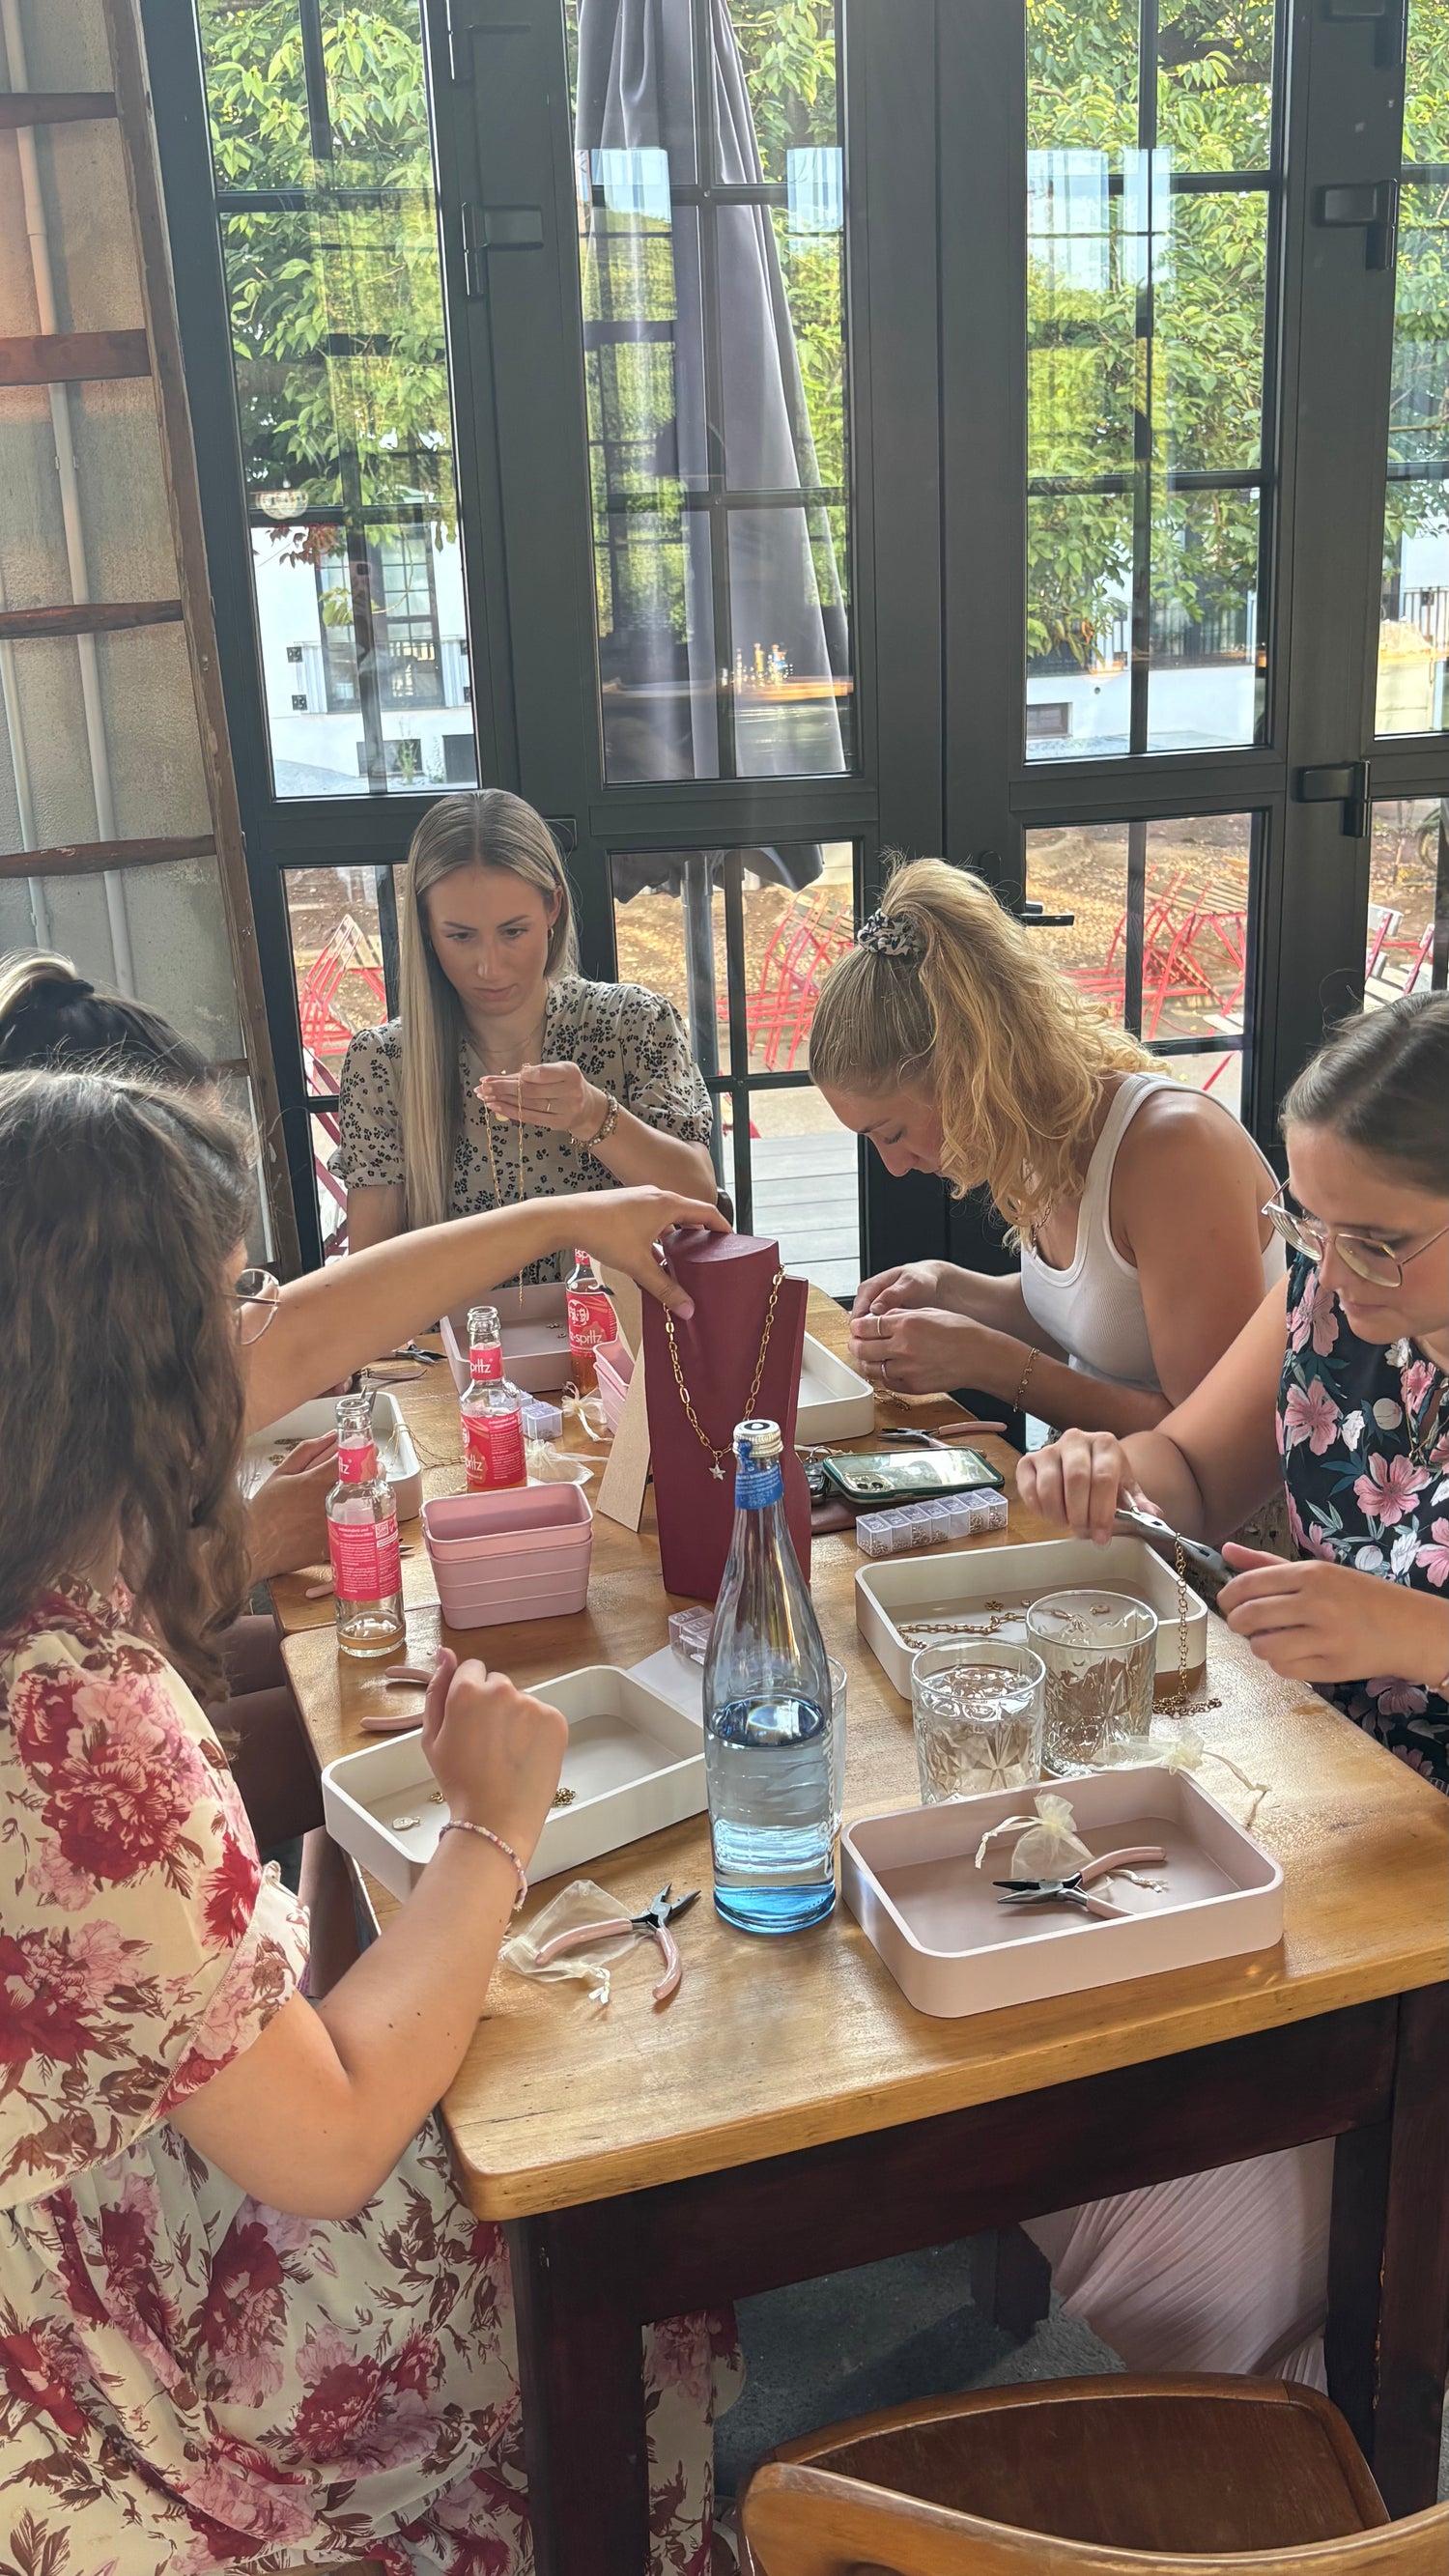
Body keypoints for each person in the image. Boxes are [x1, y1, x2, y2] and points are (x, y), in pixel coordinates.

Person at [0, 1062, 736, 2574]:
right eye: (231, 1298)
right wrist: (489, 1827)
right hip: (121, 2349)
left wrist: (567, 1216)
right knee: (602, 2187)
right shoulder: (66, 1718)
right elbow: (332, 2144)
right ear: (143, 1366)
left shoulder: (37, 1524)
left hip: (123, 2178)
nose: (263, 1328)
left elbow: (309, 1331)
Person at [1013, 992, 1449, 2386]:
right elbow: (1195, 1469)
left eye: (1377, 1237)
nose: (1335, 1268)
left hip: (1413, 1871)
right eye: (1307, 1223)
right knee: (1040, 1958)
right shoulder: (1338, 1292)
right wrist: (1106, 1471)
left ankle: (1309, 2378)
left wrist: (1414, 1633)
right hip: (1336, 1797)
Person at [809, 859, 1285, 1433]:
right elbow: (1100, 1312)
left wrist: (991, 1362)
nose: (894, 1166)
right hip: (1094, 1475)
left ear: (968, 1073)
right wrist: (948, 1286)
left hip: (1193, 1494)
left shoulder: (1175, 1152)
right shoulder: (1037, 1134)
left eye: (892, 1134)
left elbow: (1213, 1434)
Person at [339, 788, 718, 1265]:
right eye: (461, 936)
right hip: (460, 1320)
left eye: (513, 931)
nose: (490, 967)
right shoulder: (383, 1063)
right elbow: (369, 1274)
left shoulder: (634, 1023)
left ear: (553, 908)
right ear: (427, 929)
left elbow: (700, 1201)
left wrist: (595, 1115)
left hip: (621, 1314)